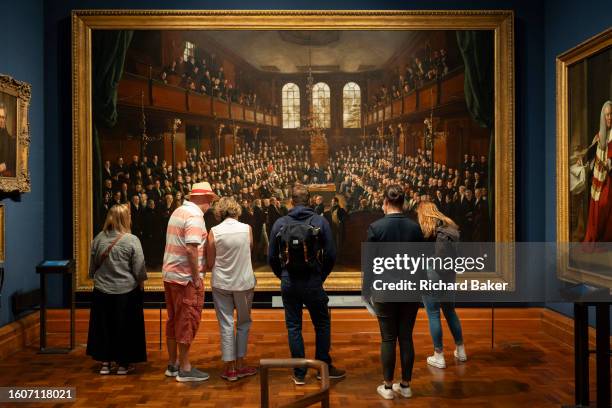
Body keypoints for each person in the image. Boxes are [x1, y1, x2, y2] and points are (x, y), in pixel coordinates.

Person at [268, 184, 345, 385]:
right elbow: (331, 254)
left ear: (291, 201)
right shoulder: (319, 221)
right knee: (321, 324)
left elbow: (271, 257)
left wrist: (282, 275)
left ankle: (300, 373)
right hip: (313, 280)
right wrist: (321, 275)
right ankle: (322, 368)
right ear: (310, 200)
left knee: (294, 327)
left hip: (289, 281)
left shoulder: (280, 223)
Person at [366, 184, 423, 400]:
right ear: (403, 203)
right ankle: (406, 386)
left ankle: (388, 387)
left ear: (386, 202)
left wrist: (366, 293)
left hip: (385, 290)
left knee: (388, 338)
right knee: (406, 337)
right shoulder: (415, 227)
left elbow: (370, 265)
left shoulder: (376, 227)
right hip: (410, 289)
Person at [162, 181, 217, 382]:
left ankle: (173, 364)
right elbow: (191, 249)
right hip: (185, 278)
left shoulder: (178, 212)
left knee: (173, 319)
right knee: (187, 320)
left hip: (171, 275)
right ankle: (185, 368)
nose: (210, 204)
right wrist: (196, 278)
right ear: (202, 198)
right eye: (210, 200)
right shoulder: (195, 216)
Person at [86, 204, 147, 375]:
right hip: (126, 293)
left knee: (104, 327)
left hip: (101, 291)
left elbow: (92, 270)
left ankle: (105, 363)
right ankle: (123, 364)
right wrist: (141, 284)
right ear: (125, 219)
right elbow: (139, 270)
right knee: (125, 328)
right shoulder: (132, 240)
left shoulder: (98, 239)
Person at [207, 197, 257, 382]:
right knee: (243, 323)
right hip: (244, 282)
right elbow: (249, 251)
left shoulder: (214, 231)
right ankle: (241, 365)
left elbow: (210, 262)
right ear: (236, 210)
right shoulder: (247, 229)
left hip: (221, 283)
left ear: (219, 212)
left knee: (226, 323)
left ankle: (230, 369)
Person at [417, 201, 467, 369]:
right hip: (449, 273)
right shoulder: (449, 226)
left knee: (433, 314)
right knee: (450, 311)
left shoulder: (425, 229)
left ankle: (439, 356)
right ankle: (461, 350)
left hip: (431, 273)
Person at [584, 101, 612, 242]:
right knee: (597, 205)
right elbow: (592, 153)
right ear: (603, 116)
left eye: (611, 114)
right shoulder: (600, 135)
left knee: (604, 203)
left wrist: (608, 164)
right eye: (607, 114)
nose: (609, 117)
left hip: (609, 179)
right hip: (598, 178)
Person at [0, 103, 16, 177]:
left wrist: (4, 165)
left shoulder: (11, 141)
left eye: (3, 117)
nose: (1, 120)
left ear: (5, 119)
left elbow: (12, 162)